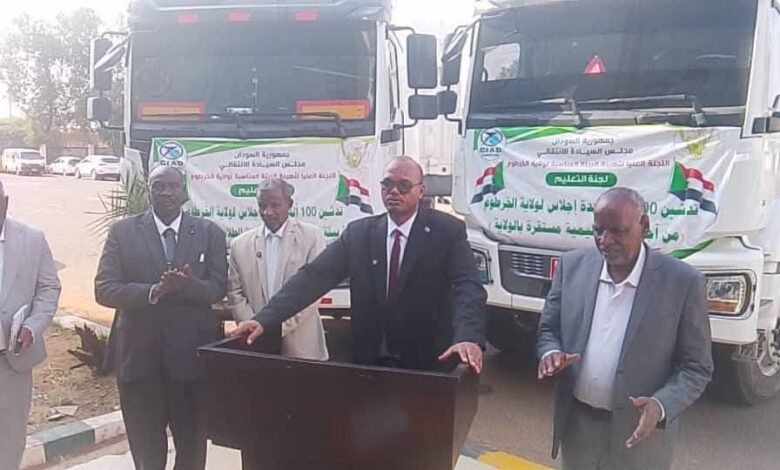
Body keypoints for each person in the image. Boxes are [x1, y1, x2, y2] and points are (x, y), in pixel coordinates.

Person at [232, 156, 487, 373]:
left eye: (403, 185)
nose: (394, 191)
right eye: (387, 184)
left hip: (427, 363)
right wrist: (264, 319)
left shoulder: (447, 232)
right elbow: (313, 278)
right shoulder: (359, 234)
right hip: (370, 364)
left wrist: (468, 337)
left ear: (421, 191)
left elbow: (468, 286)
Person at [536, 187, 713, 470]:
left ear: (645, 226)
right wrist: (551, 353)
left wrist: (661, 405)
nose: (605, 240)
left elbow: (697, 367)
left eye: (617, 231)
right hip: (577, 429)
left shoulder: (682, 283)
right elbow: (548, 329)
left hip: (640, 437)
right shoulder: (572, 267)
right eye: (598, 230)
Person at [95, 166, 228, 470]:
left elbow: (218, 289)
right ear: (149, 190)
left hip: (191, 362)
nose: (166, 192)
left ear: (184, 190)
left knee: (192, 450)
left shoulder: (210, 233)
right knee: (147, 454)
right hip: (139, 362)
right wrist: (153, 291)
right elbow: (104, 289)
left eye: (172, 186)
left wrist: (187, 286)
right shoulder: (122, 232)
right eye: (158, 186)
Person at [228, 178, 328, 360]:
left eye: (275, 205)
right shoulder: (239, 244)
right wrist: (252, 325)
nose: (267, 212)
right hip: (255, 345)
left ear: (289, 204)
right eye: (262, 205)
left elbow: (313, 292)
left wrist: (272, 328)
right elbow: (235, 293)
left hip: (301, 348)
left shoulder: (312, 237)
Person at [0, 179, 61, 470]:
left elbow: (49, 288)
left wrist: (33, 326)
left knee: (10, 439)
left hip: (12, 361)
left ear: (5, 202)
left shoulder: (32, 239)